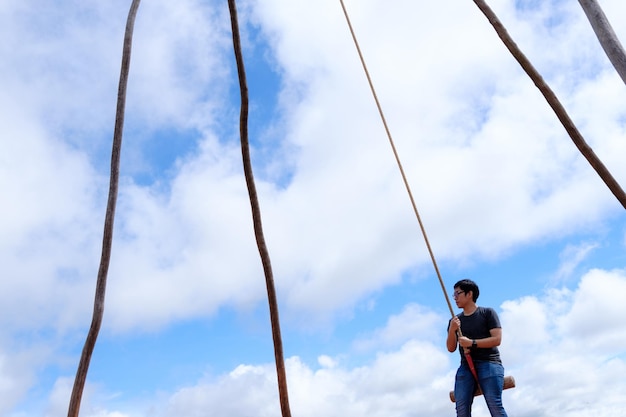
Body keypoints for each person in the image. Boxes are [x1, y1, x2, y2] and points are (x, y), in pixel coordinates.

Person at [446, 279, 508, 417]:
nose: (455, 298)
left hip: (489, 363)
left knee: (494, 405)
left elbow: (497, 339)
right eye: (453, 295)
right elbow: (451, 348)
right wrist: (452, 330)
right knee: (461, 409)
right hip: (466, 367)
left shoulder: (487, 313)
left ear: (469, 294)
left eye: (458, 293)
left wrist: (472, 343)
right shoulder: (454, 321)